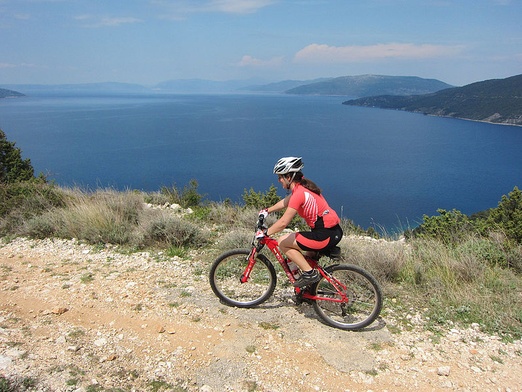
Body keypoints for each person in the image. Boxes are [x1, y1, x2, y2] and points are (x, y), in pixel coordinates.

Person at [256, 157, 343, 288]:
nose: (279, 180)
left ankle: (310, 274)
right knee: (307, 259)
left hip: (324, 235)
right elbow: (286, 202)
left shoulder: (299, 193)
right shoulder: (302, 187)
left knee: (283, 242)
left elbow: (283, 222)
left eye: (280, 177)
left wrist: (265, 233)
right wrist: (267, 210)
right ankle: (308, 291)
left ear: (289, 176)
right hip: (332, 232)